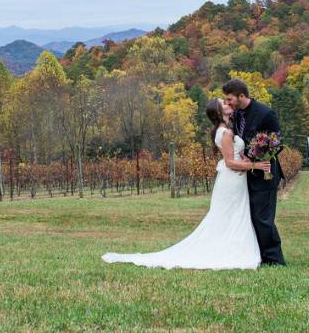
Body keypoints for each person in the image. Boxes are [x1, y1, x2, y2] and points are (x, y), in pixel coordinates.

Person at [100, 97, 272, 269]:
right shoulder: (225, 133)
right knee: (231, 215)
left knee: (233, 215)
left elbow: (234, 155)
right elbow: (229, 163)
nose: (229, 105)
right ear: (219, 112)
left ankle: (234, 247)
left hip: (236, 179)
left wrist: (245, 157)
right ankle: (231, 251)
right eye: (224, 104)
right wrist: (256, 165)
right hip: (232, 178)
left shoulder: (225, 130)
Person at [223, 77, 287, 266]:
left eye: (229, 99)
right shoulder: (236, 116)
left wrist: (255, 158)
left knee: (263, 218)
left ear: (241, 96)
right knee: (250, 217)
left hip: (265, 174)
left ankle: (274, 259)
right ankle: (257, 255)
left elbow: (278, 142)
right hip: (244, 176)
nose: (227, 103)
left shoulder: (265, 113)